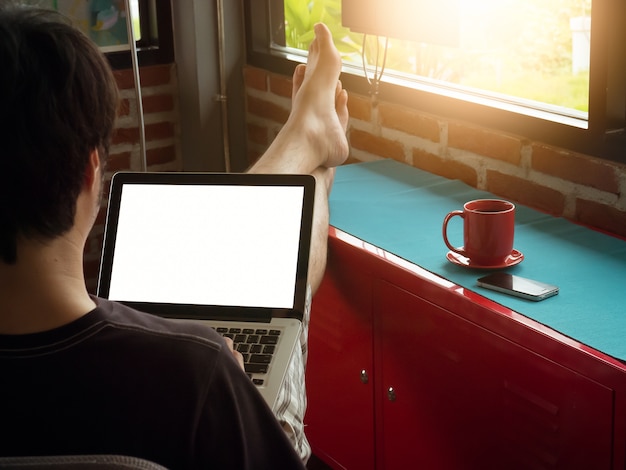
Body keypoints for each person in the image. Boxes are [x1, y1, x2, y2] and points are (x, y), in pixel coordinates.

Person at [0, 2, 349, 469]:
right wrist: (223, 380)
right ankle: (316, 163)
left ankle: (306, 139)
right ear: (90, 173)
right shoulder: (196, 372)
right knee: (281, 288)